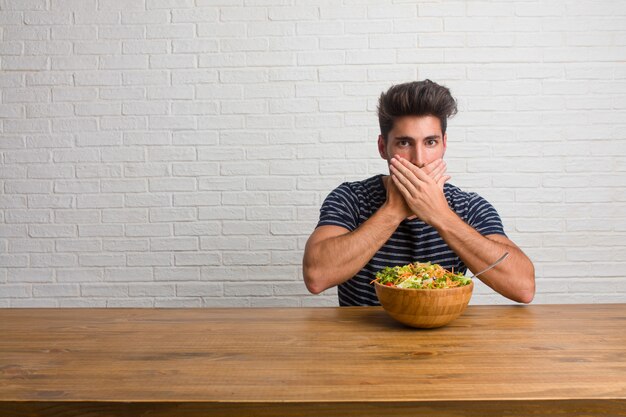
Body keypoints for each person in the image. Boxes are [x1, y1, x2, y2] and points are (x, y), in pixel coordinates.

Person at [302, 80, 535, 306]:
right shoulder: (351, 198)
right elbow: (316, 276)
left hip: (443, 341)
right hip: (364, 342)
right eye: (404, 143)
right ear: (383, 148)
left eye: (430, 142)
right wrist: (393, 211)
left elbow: (523, 288)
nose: (419, 160)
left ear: (444, 144)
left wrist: (441, 215)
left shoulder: (468, 206)